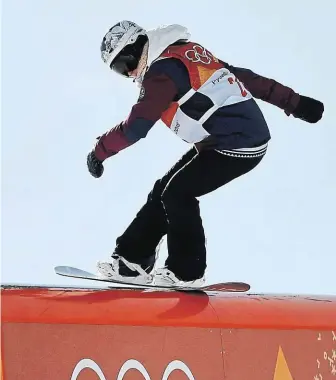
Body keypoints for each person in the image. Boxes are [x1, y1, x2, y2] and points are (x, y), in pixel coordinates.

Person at [87, 21, 324, 288]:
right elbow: (242, 77)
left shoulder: (160, 72)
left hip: (238, 144)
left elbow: (136, 126)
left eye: (124, 64)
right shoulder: (184, 53)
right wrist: (296, 102)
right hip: (223, 140)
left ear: (135, 48)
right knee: (163, 190)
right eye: (120, 71)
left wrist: (99, 152)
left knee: (177, 193)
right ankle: (131, 262)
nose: (129, 73)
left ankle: (187, 271)